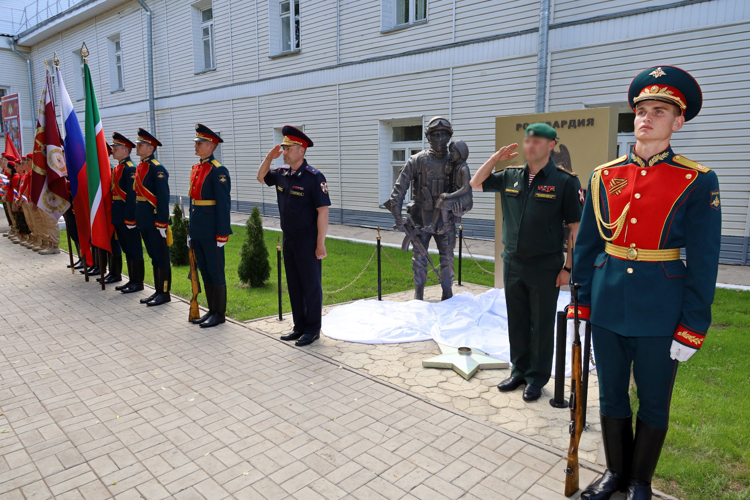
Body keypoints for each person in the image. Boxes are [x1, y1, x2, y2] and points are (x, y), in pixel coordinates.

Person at [572, 66, 720, 500]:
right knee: (612, 394)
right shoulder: (604, 175)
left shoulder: (696, 179)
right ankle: (615, 474)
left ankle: (641, 481)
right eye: (640, 110)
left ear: (679, 121)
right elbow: (587, 245)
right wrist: (582, 299)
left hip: (662, 307)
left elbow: (705, 260)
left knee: (654, 401)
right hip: (608, 301)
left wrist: (693, 325)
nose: (646, 117)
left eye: (659, 110)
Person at [470, 123, 583, 402]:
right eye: (527, 140)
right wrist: (496, 158)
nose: (530, 145)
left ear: (551, 145)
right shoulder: (510, 176)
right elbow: (476, 183)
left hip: (545, 265)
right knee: (517, 321)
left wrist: (568, 267)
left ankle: (536, 378)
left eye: (537, 141)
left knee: (543, 324)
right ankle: (519, 371)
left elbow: (575, 229)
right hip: (513, 263)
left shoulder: (565, 181)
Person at [257, 125, 330, 346]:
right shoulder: (281, 174)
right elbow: (261, 177)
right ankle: (299, 326)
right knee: (294, 285)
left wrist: (320, 244)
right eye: (284, 148)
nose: (284, 151)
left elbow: (323, 211)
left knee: (310, 285)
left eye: (288, 148)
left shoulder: (314, 177)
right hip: (289, 239)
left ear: (301, 150)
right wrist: (270, 157)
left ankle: (313, 329)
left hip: (308, 241)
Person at [388, 116, 468, 301]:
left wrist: (460, 209)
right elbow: (398, 191)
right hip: (421, 221)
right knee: (419, 261)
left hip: (446, 221)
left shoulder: (456, 162)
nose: (440, 139)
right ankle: (419, 296)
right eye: (435, 134)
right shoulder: (416, 160)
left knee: (447, 259)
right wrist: (398, 217)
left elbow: (465, 192)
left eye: (443, 135)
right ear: (428, 136)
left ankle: (447, 295)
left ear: (449, 137)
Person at [187, 124, 232, 328]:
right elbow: (193, 201)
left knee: (215, 270)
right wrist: (190, 229)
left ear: (212, 146)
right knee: (204, 269)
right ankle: (211, 310)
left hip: (212, 230)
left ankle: (219, 313)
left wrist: (222, 233)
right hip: (198, 228)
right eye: (196, 142)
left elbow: (223, 204)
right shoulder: (197, 168)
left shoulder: (218, 170)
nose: (196, 146)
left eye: (200, 143)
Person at [133, 128, 172, 306]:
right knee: (154, 256)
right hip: (144, 219)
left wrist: (162, 222)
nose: (137, 146)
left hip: (156, 221)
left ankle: (164, 293)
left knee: (162, 257)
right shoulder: (141, 166)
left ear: (150, 148)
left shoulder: (157, 168)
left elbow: (163, 198)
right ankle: (157, 291)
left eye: (140, 144)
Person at [110, 132, 145, 293]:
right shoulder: (119, 167)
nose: (113, 150)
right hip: (118, 214)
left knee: (134, 248)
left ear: (125, 150)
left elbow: (132, 196)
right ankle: (132, 280)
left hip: (127, 215)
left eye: (116, 147)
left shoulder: (130, 168)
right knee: (126, 248)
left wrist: (131, 218)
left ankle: (138, 282)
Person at [428, 139, 473, 234]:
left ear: (460, 152)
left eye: (452, 151)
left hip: (464, 200)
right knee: (439, 201)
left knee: (443, 203)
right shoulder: (456, 166)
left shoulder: (464, 168)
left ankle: (446, 225)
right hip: (458, 197)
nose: (450, 153)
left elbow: (466, 188)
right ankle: (433, 226)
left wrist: (449, 195)